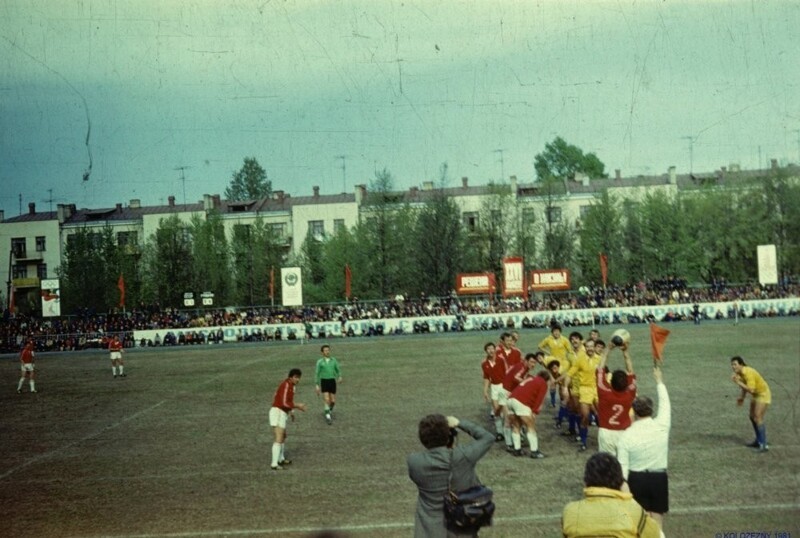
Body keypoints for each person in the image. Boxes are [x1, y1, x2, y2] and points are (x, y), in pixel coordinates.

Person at [407, 414, 493, 538]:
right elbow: (487, 437)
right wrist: (459, 423)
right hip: (461, 527)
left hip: (429, 530)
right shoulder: (462, 456)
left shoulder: (414, 461)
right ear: (449, 437)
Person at [617, 366, 671, 530]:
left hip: (636, 480)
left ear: (633, 412)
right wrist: (659, 381)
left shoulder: (626, 435)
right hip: (658, 479)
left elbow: (622, 468)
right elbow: (665, 404)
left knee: (640, 523)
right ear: (651, 410)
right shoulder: (662, 425)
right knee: (657, 522)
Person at [562, 452, 662, 538]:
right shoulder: (632, 511)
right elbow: (655, 535)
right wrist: (629, 498)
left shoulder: (570, 512)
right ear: (620, 480)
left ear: (586, 480)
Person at [596, 340, 637, 456]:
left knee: (607, 464)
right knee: (623, 463)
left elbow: (600, 370)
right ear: (626, 384)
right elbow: (630, 372)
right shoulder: (630, 393)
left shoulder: (604, 391)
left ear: (611, 381)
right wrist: (625, 352)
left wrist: (607, 350)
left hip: (606, 432)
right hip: (624, 432)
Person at [563, 337, 600, 451]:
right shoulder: (580, 359)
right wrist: (565, 387)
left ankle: (604, 437)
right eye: (587, 346)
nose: (590, 348)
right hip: (584, 389)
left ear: (595, 347)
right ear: (585, 347)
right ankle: (583, 442)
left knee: (601, 415)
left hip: (597, 390)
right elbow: (569, 374)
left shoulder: (600, 359)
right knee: (585, 416)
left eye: (592, 346)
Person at [269, 368, 308, 471]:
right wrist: (297, 406)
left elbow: (288, 400)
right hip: (277, 412)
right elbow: (283, 402)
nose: (298, 380)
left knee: (283, 436)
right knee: (279, 437)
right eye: (296, 377)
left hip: (283, 413)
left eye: (299, 378)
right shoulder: (286, 384)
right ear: (290, 377)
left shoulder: (292, 386)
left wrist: (291, 411)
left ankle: (281, 458)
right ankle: (274, 464)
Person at [506, 370, 551, 458]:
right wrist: (534, 412)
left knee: (516, 426)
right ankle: (534, 452)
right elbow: (539, 399)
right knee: (530, 426)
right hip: (521, 402)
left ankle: (517, 450)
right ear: (546, 379)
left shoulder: (530, 379)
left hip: (510, 400)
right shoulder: (543, 383)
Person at [730, 356, 771, 452]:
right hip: (756, 394)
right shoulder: (739, 373)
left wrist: (738, 382)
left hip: (763, 394)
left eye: (735, 364)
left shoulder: (748, 373)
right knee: (752, 416)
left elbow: (751, 389)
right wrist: (742, 398)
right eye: (732, 365)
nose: (733, 367)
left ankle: (763, 445)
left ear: (741, 364)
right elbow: (746, 387)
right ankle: (758, 441)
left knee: (758, 417)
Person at [480, 342, 506, 442]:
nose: (491, 350)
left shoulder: (501, 360)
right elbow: (486, 377)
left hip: (504, 386)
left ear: (495, 349)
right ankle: (500, 433)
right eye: (488, 349)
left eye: (492, 348)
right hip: (494, 387)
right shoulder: (484, 363)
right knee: (496, 411)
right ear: (486, 351)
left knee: (505, 410)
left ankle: (508, 430)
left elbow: (507, 373)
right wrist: (485, 391)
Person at [315, 344, 342, 425]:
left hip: (332, 381)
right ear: (322, 352)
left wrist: (340, 376)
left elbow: (338, 369)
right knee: (327, 399)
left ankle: (328, 411)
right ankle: (328, 416)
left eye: (328, 350)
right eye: (325, 350)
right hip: (324, 381)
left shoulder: (333, 360)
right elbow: (317, 373)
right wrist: (317, 384)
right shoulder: (320, 362)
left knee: (333, 401)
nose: (327, 352)